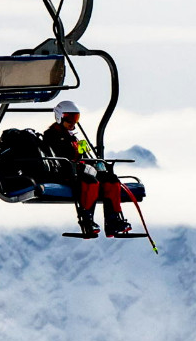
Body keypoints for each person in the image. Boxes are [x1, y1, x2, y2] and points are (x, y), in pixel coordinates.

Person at [42, 100, 132, 238]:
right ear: (60, 117)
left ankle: (113, 221)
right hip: (65, 172)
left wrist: (93, 163)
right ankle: (87, 221)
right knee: (90, 182)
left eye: (76, 118)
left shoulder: (74, 137)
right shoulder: (51, 135)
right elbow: (60, 157)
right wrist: (79, 160)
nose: (73, 122)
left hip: (81, 169)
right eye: (69, 118)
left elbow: (82, 155)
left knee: (111, 180)